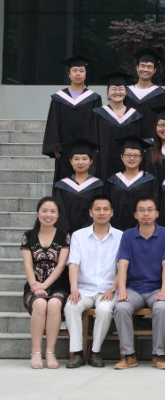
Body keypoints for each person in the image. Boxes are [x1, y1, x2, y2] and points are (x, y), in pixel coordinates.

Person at [113, 197, 165, 370]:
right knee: (121, 307)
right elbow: (122, 265)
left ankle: (158, 355)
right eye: (141, 210)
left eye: (149, 209)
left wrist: (164, 290)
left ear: (157, 213)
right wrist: (122, 291)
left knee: (161, 307)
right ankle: (128, 355)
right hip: (134, 289)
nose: (146, 213)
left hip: (157, 288)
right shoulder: (128, 235)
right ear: (135, 215)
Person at [64, 195, 123, 368]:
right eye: (97, 209)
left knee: (104, 310)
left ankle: (95, 352)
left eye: (106, 209)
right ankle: (77, 353)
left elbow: (122, 267)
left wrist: (112, 289)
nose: (101, 212)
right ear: (91, 213)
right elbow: (73, 263)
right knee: (71, 306)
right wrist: (74, 288)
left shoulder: (121, 236)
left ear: (111, 212)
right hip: (83, 288)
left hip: (108, 289)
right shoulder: (79, 236)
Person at [21, 198, 70, 370]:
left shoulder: (64, 236)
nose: (48, 215)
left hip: (59, 286)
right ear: (38, 213)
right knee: (40, 304)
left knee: (55, 304)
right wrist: (35, 285)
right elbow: (28, 265)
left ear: (57, 215)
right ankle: (36, 351)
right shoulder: (28, 236)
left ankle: (50, 351)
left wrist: (44, 285)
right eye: (44, 211)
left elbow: (61, 265)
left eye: (52, 211)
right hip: (33, 285)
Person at [44, 55, 102, 184]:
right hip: (64, 150)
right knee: (64, 181)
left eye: (81, 70)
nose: (78, 73)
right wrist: (55, 145)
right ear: (69, 74)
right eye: (74, 70)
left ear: (86, 74)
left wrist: (94, 149)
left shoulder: (94, 99)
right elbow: (53, 122)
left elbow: (97, 125)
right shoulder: (58, 98)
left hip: (86, 150)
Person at [86, 71, 144, 180]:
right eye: (113, 89)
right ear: (108, 91)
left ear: (126, 91)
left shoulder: (135, 116)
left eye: (121, 89)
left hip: (129, 164)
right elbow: (93, 141)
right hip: (104, 165)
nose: (117, 92)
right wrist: (93, 167)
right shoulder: (98, 114)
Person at [106, 135, 159, 231]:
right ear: (121, 157)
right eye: (128, 155)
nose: (132, 158)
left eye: (136, 155)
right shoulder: (112, 181)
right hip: (116, 230)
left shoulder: (150, 181)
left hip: (142, 231)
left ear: (141, 157)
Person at [52, 139, 105, 231]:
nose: (80, 162)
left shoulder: (98, 186)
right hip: (65, 233)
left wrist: (85, 231)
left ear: (91, 161)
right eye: (76, 159)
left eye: (84, 159)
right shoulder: (61, 186)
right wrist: (66, 232)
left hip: (91, 232)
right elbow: (59, 211)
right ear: (71, 161)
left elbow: (99, 210)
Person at [126, 47, 165, 139]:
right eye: (142, 65)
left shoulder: (161, 94)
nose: (145, 69)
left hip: (152, 142)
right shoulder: (126, 93)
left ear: (154, 70)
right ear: (137, 67)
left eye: (149, 67)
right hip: (129, 142)